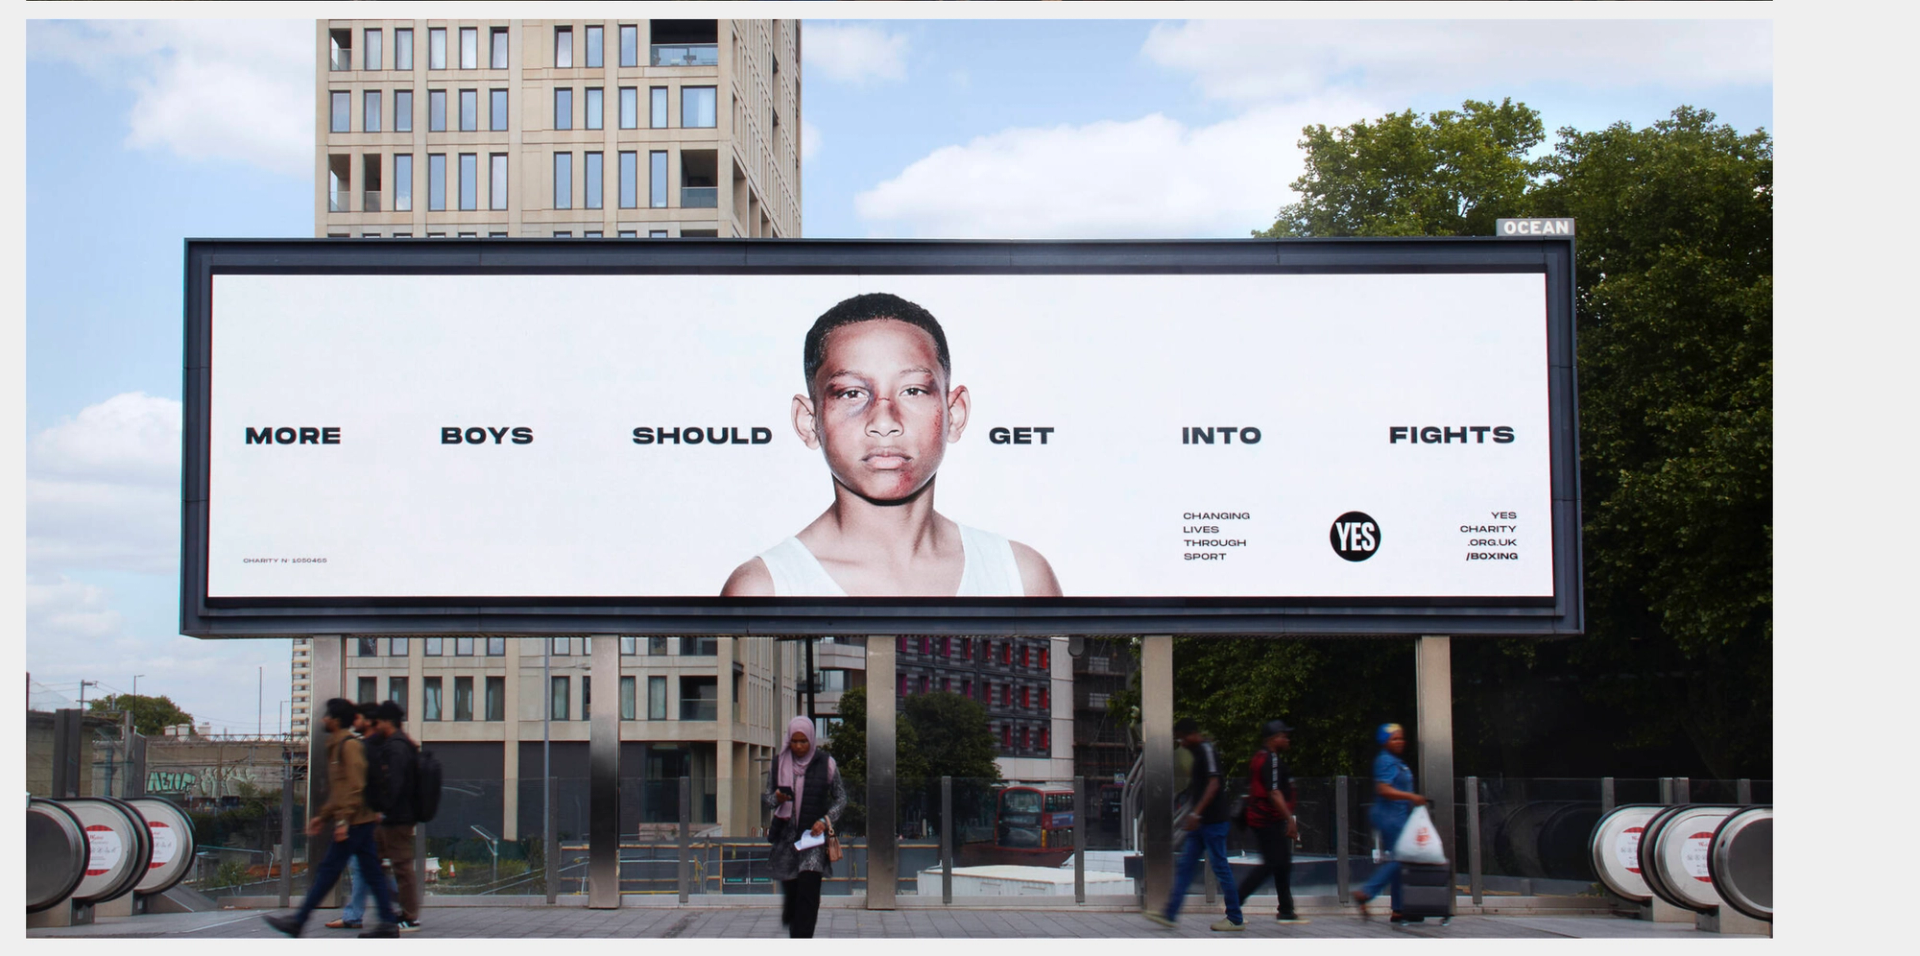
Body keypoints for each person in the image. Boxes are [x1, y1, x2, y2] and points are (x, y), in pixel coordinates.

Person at [722, 292, 1062, 598]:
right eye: (851, 393)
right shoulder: (764, 588)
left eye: (913, 390)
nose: (884, 421)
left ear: (954, 413)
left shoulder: (1021, 578)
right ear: (808, 421)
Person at [264, 698, 401, 938]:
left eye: (327, 715)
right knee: (371, 871)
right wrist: (323, 816)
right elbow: (340, 789)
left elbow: (356, 786)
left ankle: (299, 920)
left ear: (336, 721)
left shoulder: (348, 746)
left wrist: (342, 821)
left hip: (355, 822)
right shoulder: (337, 745)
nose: (323, 719)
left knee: (329, 871)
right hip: (357, 820)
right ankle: (388, 923)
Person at [1145, 718, 1243, 932]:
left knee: (1220, 868)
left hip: (1213, 821)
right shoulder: (1199, 754)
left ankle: (1235, 918)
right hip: (1200, 824)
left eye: (1181, 737)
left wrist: (1196, 813)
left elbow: (1214, 784)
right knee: (1186, 866)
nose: (1181, 743)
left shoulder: (1207, 751)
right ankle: (1170, 914)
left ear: (1190, 734)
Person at [762, 716, 846, 938]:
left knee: (808, 895)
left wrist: (825, 820)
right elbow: (768, 800)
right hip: (786, 841)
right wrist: (778, 798)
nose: (798, 746)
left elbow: (841, 798)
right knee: (793, 894)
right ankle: (795, 930)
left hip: (812, 841)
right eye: (794, 741)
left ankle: (803, 939)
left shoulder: (826, 764)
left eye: (803, 741)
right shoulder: (778, 763)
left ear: (811, 740)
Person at [1352, 722, 1427, 923]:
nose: (1400, 741)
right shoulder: (1385, 761)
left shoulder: (1395, 761)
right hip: (1390, 816)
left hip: (1398, 816)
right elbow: (1383, 789)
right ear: (1384, 741)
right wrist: (1412, 797)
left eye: (1401, 737)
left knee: (1399, 860)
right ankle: (1366, 892)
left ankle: (1399, 909)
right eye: (1394, 738)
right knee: (1402, 858)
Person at [1234, 719, 1307, 924]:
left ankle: (1286, 910)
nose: (1287, 738)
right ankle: (1235, 903)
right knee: (1272, 864)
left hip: (1264, 818)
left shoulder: (1261, 757)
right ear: (1273, 739)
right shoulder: (1271, 760)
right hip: (1266, 819)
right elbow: (1274, 793)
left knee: (1282, 863)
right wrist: (1289, 820)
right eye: (1283, 735)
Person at [326, 703, 384, 930]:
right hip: (366, 814)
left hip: (362, 816)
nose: (355, 720)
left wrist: (344, 819)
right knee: (368, 866)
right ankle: (389, 911)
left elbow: (357, 785)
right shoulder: (370, 745)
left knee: (361, 866)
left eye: (359, 717)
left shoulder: (362, 746)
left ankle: (356, 914)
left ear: (367, 720)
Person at [371, 701, 422, 932]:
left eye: (379, 721)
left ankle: (409, 916)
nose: (376, 725)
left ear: (387, 722)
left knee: (402, 867)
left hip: (397, 818)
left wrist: (383, 810)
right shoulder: (401, 744)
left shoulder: (397, 747)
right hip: (397, 816)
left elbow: (395, 784)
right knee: (376, 860)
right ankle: (394, 907)